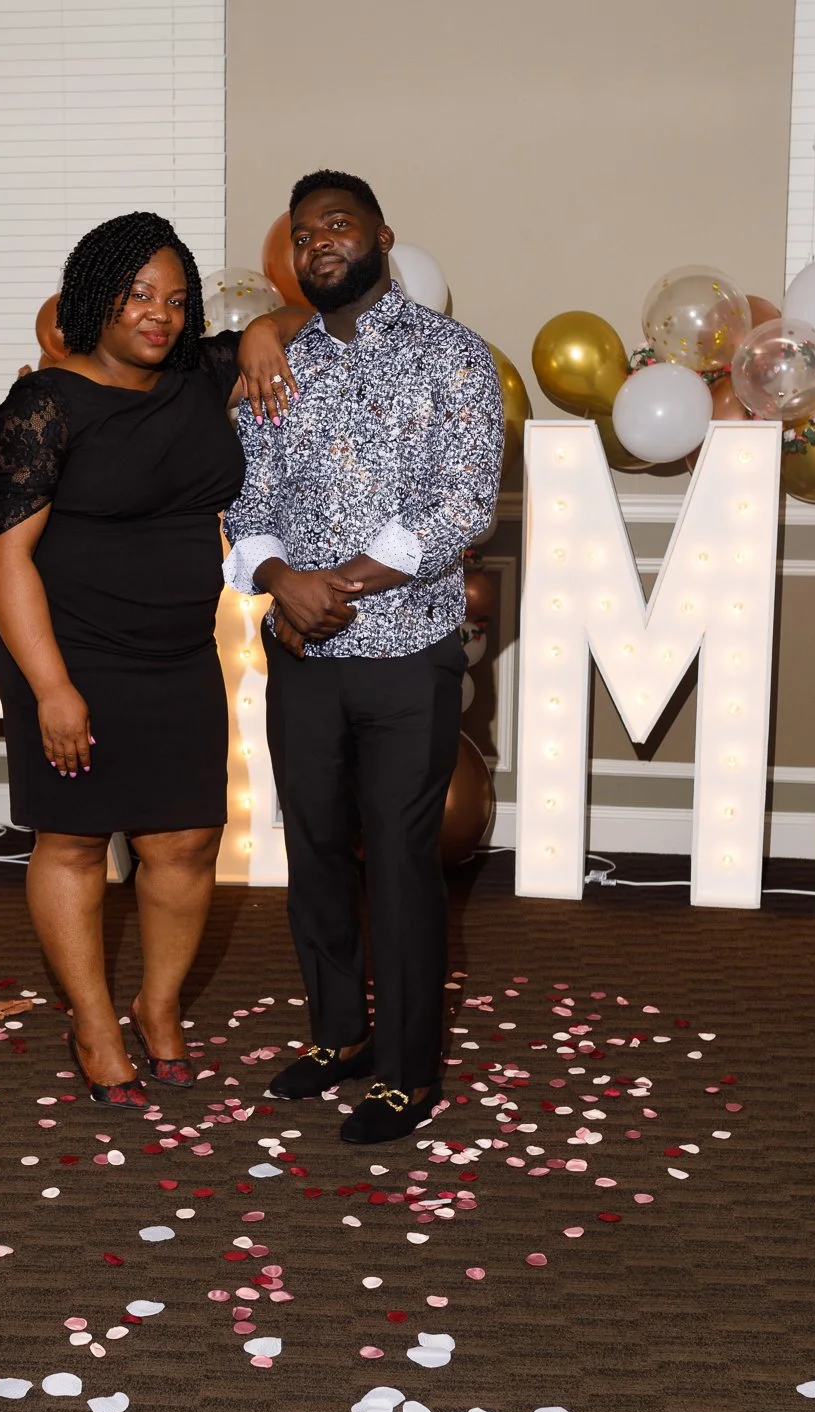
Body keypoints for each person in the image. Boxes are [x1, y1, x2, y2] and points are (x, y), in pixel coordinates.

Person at [0, 211, 304, 1109]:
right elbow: (8, 559)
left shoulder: (202, 374)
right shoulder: (43, 405)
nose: (159, 315)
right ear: (94, 300)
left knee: (188, 839)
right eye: (137, 296)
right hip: (71, 655)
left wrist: (268, 328)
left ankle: (157, 1006)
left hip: (176, 652)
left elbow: (310, 314)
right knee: (77, 840)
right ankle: (90, 1020)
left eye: (175, 299)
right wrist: (52, 689)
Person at [222, 170, 503, 1144]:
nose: (319, 245)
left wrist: (332, 582)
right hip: (299, 652)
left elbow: (462, 505)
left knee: (399, 862)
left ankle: (407, 1072)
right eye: (302, 237)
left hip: (403, 659)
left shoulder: (455, 359)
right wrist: (278, 579)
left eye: (337, 225)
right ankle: (340, 1036)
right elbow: (244, 505)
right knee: (314, 858)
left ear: (383, 234)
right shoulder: (276, 364)